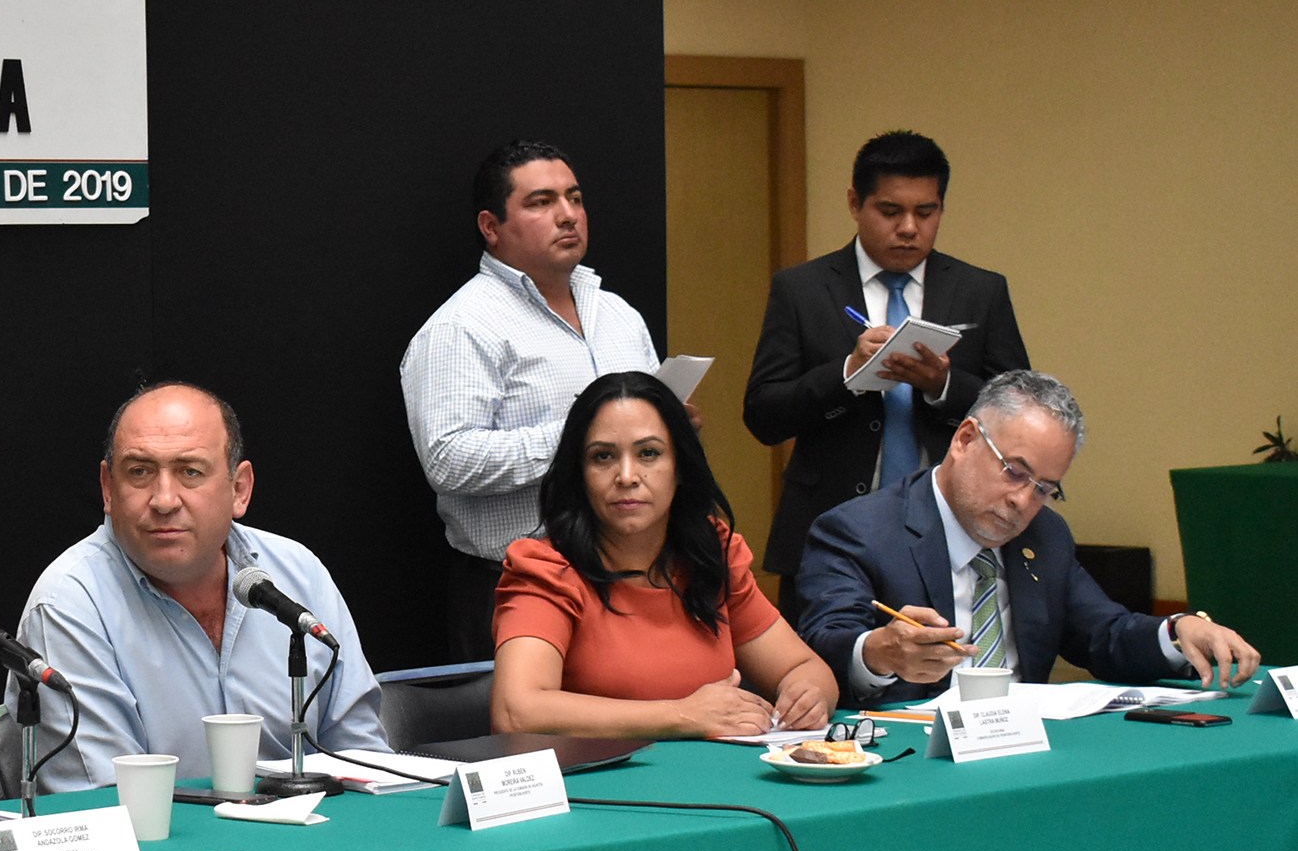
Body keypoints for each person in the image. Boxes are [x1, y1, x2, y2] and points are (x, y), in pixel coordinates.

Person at [13, 382, 388, 795]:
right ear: (108, 488)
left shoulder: (297, 573)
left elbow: (363, 760)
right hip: (164, 837)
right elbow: (108, 802)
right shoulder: (69, 604)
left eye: (190, 472)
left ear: (239, 489)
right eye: (139, 472)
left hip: (313, 830)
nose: (164, 500)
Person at [796, 370, 1258, 705]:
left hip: (1021, 750)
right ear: (965, 440)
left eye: (1044, 489)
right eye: (1015, 473)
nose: (1023, 500)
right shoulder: (858, 531)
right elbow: (823, 645)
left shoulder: (1045, 535)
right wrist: (878, 653)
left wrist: (1176, 631)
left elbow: (1104, 634)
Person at [744, 130, 1031, 618]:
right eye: (891, 211)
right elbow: (763, 414)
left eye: (926, 212)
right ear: (855, 203)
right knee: (825, 659)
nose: (909, 228)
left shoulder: (980, 291)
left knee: (936, 659)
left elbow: (1020, 412)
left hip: (951, 534)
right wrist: (848, 374)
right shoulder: (803, 289)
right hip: (829, 531)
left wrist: (942, 385)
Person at [403, 141, 666, 661]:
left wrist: (666, 431)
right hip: (516, 583)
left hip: (633, 574)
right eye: (542, 202)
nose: (568, 215)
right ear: (491, 226)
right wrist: (582, 438)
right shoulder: (461, 327)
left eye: (575, 198)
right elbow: (447, 461)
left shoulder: (618, 315)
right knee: (530, 718)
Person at [491, 372, 837, 739]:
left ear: (680, 466)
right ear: (580, 473)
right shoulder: (548, 570)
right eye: (603, 456)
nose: (627, 476)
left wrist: (807, 695)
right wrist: (683, 715)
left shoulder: (711, 555)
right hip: (594, 775)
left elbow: (807, 669)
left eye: (648, 454)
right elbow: (516, 712)